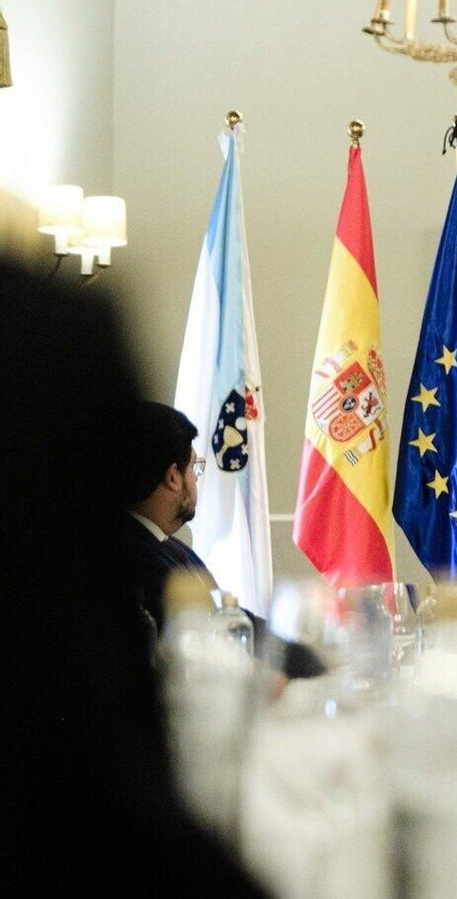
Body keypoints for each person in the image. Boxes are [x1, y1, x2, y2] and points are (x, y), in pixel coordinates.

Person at [0, 240, 268, 896]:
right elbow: (109, 763)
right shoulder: (49, 341)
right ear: (170, 472)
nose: (196, 479)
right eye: (193, 467)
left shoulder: (169, 551)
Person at [112, 400, 323, 678]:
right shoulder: (133, 559)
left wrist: (307, 659)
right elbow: (210, 644)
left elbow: (232, 618)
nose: (196, 479)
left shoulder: (165, 545)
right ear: (173, 477)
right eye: (194, 468)